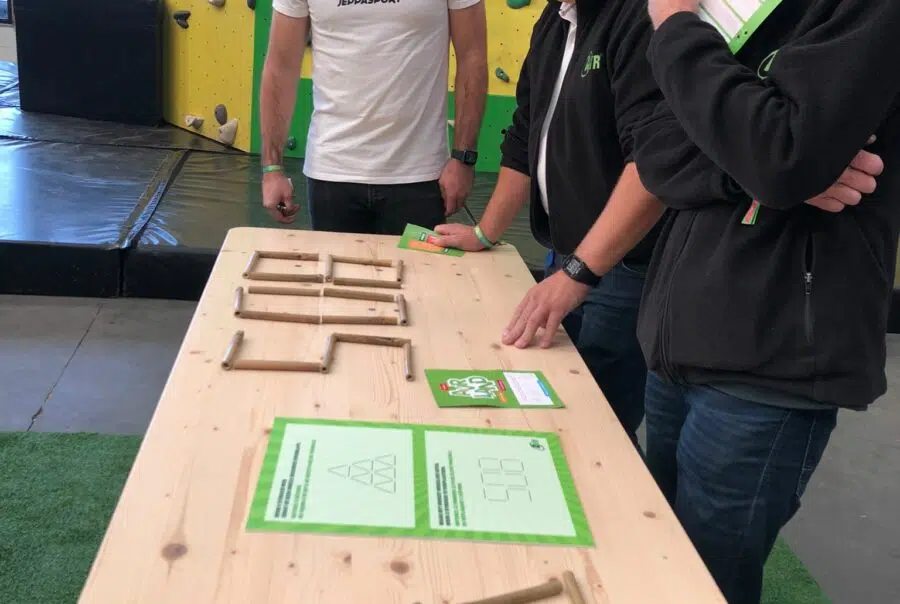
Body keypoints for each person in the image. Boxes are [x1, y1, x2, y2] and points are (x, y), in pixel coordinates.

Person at [627, 1, 899, 603]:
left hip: (772, 360)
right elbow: (653, 150)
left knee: (705, 581)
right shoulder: (737, 13)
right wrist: (740, 164)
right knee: (661, 555)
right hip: (679, 340)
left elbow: (781, 157)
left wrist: (675, 25)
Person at [433, 0, 669, 446]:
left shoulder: (636, 18)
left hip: (622, 268)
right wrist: (485, 232)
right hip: (566, 256)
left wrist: (580, 271)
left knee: (599, 428)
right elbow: (525, 133)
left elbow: (651, 164)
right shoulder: (555, 18)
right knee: (555, 406)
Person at [258, 0, 488, 235]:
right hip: (332, 172)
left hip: (420, 174)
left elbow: (473, 59)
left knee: (419, 263)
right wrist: (272, 168)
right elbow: (281, 67)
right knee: (337, 262)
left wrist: (463, 158)